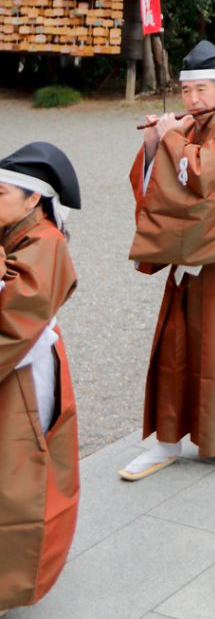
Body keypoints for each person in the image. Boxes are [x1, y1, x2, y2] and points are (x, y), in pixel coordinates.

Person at [119, 40, 215, 481]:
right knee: (175, 349)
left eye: (202, 90)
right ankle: (167, 440)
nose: (194, 100)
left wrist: (171, 137)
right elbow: (158, 189)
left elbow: (207, 177)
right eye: (187, 92)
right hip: (188, 256)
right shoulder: (185, 127)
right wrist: (152, 145)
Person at [0, 144, 81, 612]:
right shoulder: (15, 227)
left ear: (33, 200)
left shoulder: (46, 241)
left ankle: (14, 578)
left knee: (17, 472)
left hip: (24, 367)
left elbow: (18, 309)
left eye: (1, 192)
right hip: (15, 361)